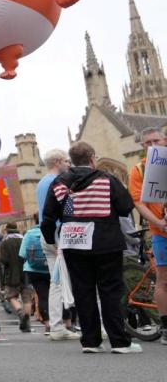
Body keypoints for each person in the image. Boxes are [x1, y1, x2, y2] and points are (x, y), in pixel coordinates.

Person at [41, 141, 140, 354]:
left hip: (73, 242)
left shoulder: (59, 182)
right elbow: (125, 207)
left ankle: (90, 341)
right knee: (110, 291)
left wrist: (51, 240)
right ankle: (119, 342)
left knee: (83, 291)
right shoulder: (107, 179)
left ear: (72, 160)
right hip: (106, 241)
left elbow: (48, 217)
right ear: (93, 158)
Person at [35, 148, 80, 341]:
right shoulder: (56, 182)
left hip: (46, 235)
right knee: (72, 279)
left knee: (56, 282)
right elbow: (57, 211)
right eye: (66, 161)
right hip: (58, 235)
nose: (68, 164)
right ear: (57, 162)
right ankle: (62, 325)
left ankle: (56, 326)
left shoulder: (41, 183)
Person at [128, 126, 167, 344]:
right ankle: (166, 327)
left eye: (156, 141)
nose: (152, 146)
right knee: (163, 280)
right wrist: (159, 222)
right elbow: (139, 202)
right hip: (161, 231)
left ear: (165, 140)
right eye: (147, 143)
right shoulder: (139, 170)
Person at [0, 223, 32, 332]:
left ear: (7, 230)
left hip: (12, 275)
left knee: (11, 296)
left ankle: (20, 312)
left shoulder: (5, 242)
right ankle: (27, 324)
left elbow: (4, 260)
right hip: (26, 273)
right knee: (27, 299)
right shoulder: (24, 239)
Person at [20, 214, 50, 332]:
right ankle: (63, 321)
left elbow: (22, 254)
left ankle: (47, 324)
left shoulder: (29, 234)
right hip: (51, 268)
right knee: (57, 295)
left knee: (42, 296)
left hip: (34, 269)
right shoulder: (52, 230)